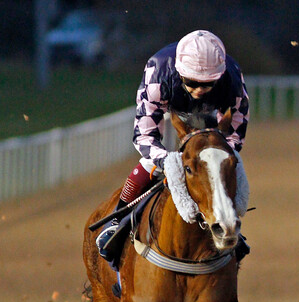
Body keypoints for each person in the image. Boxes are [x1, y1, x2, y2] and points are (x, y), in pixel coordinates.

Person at [96, 29, 250, 263]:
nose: (200, 90)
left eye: (208, 84)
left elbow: (237, 128)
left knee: (226, 163)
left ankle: (228, 222)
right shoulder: (159, 72)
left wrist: (220, 151)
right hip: (169, 112)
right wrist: (169, 161)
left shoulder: (231, 76)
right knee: (150, 162)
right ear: (180, 73)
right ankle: (118, 220)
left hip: (210, 121)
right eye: (192, 82)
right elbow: (144, 135)